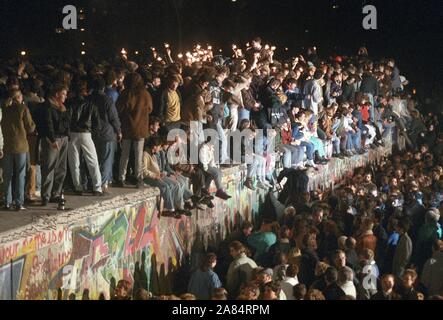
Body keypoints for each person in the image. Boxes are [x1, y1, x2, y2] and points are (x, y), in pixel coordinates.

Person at [66, 80, 103, 196]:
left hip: (72, 134)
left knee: (74, 162)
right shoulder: (91, 104)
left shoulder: (69, 103)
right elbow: (97, 123)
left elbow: (66, 119)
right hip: (86, 133)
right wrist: (95, 133)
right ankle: (97, 187)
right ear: (85, 91)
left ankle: (78, 187)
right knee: (92, 161)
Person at [116, 72, 153, 188]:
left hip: (127, 127)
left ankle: (121, 177)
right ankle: (138, 178)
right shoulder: (145, 94)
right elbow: (150, 109)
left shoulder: (125, 93)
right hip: (141, 129)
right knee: (138, 155)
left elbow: (118, 108)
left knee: (125, 154)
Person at [1, 89, 36, 210]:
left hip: (7, 146)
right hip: (21, 146)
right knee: (20, 174)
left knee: (7, 174)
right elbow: (31, 127)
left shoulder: (4, 109)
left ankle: (6, 201)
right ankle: (19, 202)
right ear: (19, 97)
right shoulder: (23, 109)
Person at [39, 84, 70, 206]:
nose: (66, 96)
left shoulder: (62, 107)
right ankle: (46, 195)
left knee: (62, 167)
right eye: (63, 94)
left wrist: (67, 135)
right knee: (49, 167)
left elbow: (66, 122)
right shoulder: (48, 107)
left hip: (63, 138)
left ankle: (55, 193)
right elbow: (48, 124)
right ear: (56, 94)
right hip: (54, 139)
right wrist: (52, 140)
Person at [90, 77, 122, 194]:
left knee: (94, 160)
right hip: (106, 133)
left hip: (92, 133)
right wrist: (118, 131)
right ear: (103, 87)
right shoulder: (107, 100)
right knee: (106, 160)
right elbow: (113, 117)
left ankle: (92, 183)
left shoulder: (89, 99)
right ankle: (102, 185)